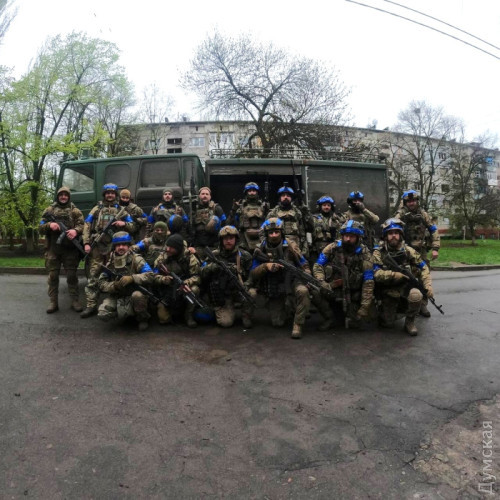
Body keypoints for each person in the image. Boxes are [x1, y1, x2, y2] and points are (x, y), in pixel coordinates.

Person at [80, 183, 136, 318]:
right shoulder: (97, 209)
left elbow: (133, 226)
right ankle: (91, 305)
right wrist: (86, 243)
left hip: (115, 246)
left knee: (119, 273)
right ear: (104, 194)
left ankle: (120, 303)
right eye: (107, 193)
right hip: (98, 246)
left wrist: (124, 223)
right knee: (93, 275)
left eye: (112, 193)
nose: (110, 195)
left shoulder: (121, 210)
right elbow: (87, 225)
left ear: (115, 195)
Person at [249, 217, 311, 339]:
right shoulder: (261, 248)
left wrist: (307, 275)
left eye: (276, 232)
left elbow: (304, 264)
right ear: (266, 234)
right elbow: (253, 273)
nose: (274, 235)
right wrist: (266, 266)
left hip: (291, 280)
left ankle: (297, 324)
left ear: (281, 232)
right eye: (271, 233)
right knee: (278, 322)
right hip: (274, 285)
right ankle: (288, 309)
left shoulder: (291, 245)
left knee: (303, 291)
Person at [373, 218, 434, 336]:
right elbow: (376, 273)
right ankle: (385, 311)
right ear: (385, 236)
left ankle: (409, 322)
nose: (393, 236)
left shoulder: (408, 250)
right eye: (390, 233)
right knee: (387, 323)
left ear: (400, 235)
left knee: (416, 295)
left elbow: (423, 267)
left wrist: (428, 285)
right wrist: (394, 275)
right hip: (387, 290)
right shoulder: (379, 252)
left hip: (405, 288)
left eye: (396, 233)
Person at [313, 220, 374, 328]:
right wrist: (321, 281)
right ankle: (330, 318)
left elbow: (368, 280)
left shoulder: (365, 253)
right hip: (333, 289)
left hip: (353, 293)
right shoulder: (332, 248)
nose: (348, 239)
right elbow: (318, 265)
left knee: (357, 322)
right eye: (346, 236)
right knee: (315, 291)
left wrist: (364, 307)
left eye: (352, 236)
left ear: (358, 237)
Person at [393, 190, 440, 317]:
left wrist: (435, 248)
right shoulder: (400, 214)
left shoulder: (423, 214)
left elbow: (433, 230)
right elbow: (392, 227)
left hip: (421, 251)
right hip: (405, 251)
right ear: (405, 203)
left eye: (413, 200)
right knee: (406, 277)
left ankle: (423, 304)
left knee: (423, 277)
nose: (411, 203)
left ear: (417, 201)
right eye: (408, 201)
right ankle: (407, 303)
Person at [39, 186, 85, 313]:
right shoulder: (50, 210)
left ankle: (75, 301)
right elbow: (40, 227)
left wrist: (75, 231)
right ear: (58, 196)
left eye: (66, 195)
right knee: (53, 276)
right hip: (53, 248)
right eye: (61, 195)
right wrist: (50, 225)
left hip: (70, 250)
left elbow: (83, 225)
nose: (63, 197)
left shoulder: (75, 211)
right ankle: (53, 302)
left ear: (68, 197)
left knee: (71, 276)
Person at [97, 231, 154, 331]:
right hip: (118, 295)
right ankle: (123, 313)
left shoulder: (136, 259)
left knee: (137, 296)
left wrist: (132, 278)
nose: (121, 247)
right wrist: (114, 286)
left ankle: (142, 318)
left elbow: (150, 275)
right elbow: (101, 283)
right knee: (102, 313)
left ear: (128, 246)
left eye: (124, 244)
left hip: (134, 295)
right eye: (118, 245)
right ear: (114, 247)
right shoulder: (111, 262)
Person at [201, 225, 256, 328]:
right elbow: (202, 273)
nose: (228, 241)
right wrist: (212, 267)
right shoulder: (215, 255)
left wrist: (246, 284)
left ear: (236, 239)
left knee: (251, 293)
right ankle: (222, 308)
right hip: (222, 294)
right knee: (226, 323)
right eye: (225, 239)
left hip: (239, 290)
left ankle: (246, 316)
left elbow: (252, 275)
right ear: (221, 240)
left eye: (231, 238)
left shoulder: (244, 255)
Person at [153, 233, 201, 328]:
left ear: (178, 248)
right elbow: (153, 275)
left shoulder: (190, 258)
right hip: (168, 290)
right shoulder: (163, 257)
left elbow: (197, 277)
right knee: (163, 319)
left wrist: (186, 283)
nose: (168, 249)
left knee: (194, 290)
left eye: (171, 248)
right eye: (167, 246)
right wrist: (163, 279)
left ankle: (188, 315)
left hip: (184, 289)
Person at [266, 185, 310, 257]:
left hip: (296, 247)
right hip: (278, 247)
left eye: (288, 195)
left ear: (291, 198)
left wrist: (304, 248)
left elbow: (304, 231)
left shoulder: (298, 212)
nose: (285, 197)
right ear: (280, 198)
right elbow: (265, 231)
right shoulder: (273, 213)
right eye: (283, 195)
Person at [228, 182, 269, 252]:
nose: (252, 193)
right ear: (246, 192)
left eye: (254, 191)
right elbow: (229, 223)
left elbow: (270, 223)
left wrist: (267, 211)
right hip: (244, 241)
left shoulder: (264, 206)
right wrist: (233, 210)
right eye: (249, 191)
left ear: (257, 192)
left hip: (261, 240)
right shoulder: (240, 207)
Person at [190, 187, 226, 260]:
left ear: (210, 196)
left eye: (207, 194)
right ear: (199, 196)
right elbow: (190, 227)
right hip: (198, 247)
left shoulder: (217, 208)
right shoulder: (194, 209)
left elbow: (224, 224)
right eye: (203, 194)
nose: (205, 196)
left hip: (213, 246)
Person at [310, 195, 343, 264]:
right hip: (316, 250)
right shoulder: (314, 219)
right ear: (320, 206)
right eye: (324, 205)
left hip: (331, 249)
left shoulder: (336, 220)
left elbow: (340, 235)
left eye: (328, 205)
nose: (326, 207)